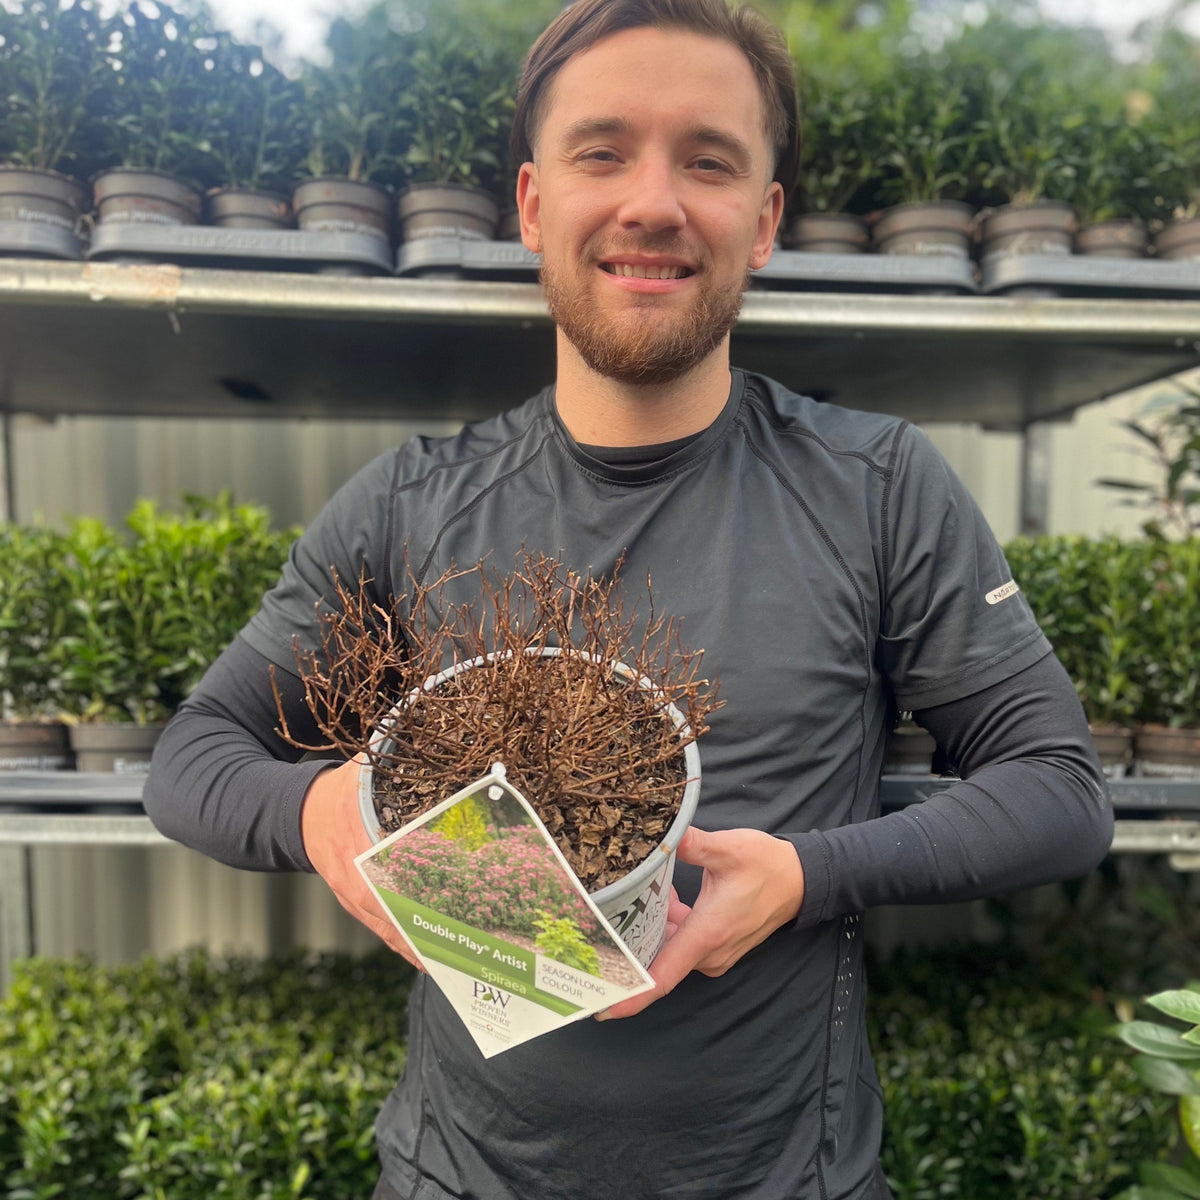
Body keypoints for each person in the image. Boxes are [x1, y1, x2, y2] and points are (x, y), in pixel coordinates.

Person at [144, 1, 1114, 1196]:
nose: (652, 201)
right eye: (602, 151)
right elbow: (192, 760)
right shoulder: (413, 505)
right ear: (534, 202)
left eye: (707, 160)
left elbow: (1059, 790)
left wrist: (813, 874)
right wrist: (325, 818)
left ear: (762, 221)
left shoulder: (874, 489)